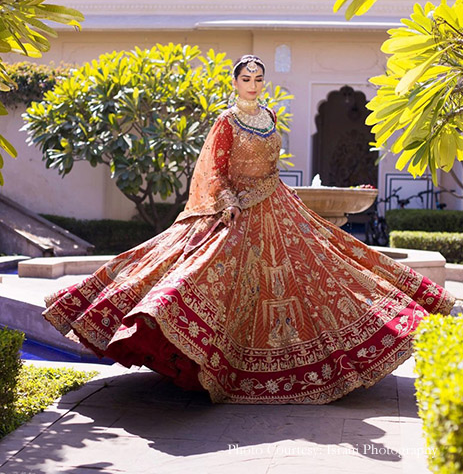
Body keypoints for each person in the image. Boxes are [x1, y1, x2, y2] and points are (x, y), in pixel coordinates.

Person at [43, 54, 456, 404]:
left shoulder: (270, 116)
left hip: (278, 205)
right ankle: (202, 355)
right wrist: (227, 203)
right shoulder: (226, 121)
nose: (254, 84)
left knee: (328, 269)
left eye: (259, 79)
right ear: (235, 82)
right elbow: (215, 172)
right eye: (247, 78)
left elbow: (271, 164)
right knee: (202, 275)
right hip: (238, 210)